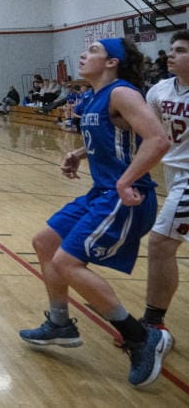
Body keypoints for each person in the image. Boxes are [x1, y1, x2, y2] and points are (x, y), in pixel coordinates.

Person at [18, 37, 172, 388]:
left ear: (112, 62)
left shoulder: (123, 93)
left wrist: (124, 181)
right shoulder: (92, 96)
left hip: (125, 196)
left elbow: (157, 140)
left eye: (94, 51)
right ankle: (60, 323)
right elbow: (115, 138)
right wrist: (79, 154)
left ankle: (139, 337)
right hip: (100, 193)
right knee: (45, 243)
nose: (84, 54)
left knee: (65, 262)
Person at [142, 30, 189, 338]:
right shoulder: (160, 90)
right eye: (171, 49)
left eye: (181, 50)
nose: (171, 54)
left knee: (160, 243)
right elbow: (147, 133)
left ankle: (152, 322)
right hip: (172, 176)